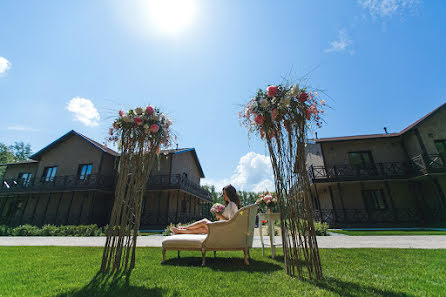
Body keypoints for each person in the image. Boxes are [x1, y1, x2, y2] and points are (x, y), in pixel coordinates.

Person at [169, 184, 241, 234]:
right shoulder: (231, 204)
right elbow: (228, 219)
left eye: (224, 194)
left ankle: (182, 228)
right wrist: (220, 217)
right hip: (222, 228)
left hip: (224, 230)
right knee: (202, 229)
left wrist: (220, 216)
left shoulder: (232, 204)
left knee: (204, 221)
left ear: (229, 194)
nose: (223, 196)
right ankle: (179, 231)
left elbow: (232, 222)